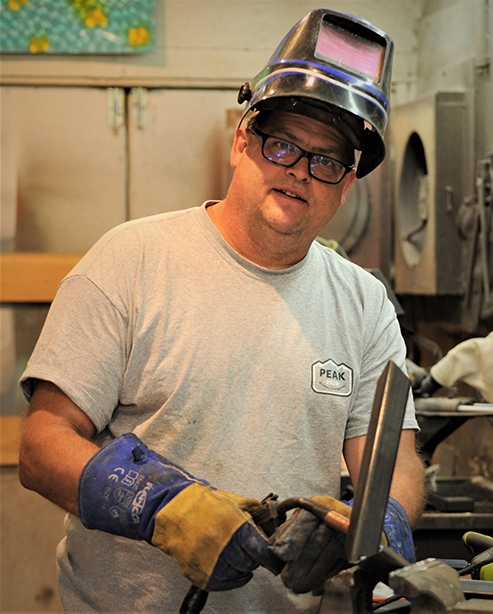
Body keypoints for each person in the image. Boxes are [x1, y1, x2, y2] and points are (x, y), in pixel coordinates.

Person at [18, 9, 425, 614]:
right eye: (283, 144)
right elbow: (43, 443)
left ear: (345, 186)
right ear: (242, 142)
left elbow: (397, 466)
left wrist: (381, 523)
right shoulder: (130, 261)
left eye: (328, 161)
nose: (299, 172)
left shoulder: (363, 304)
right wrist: (160, 505)